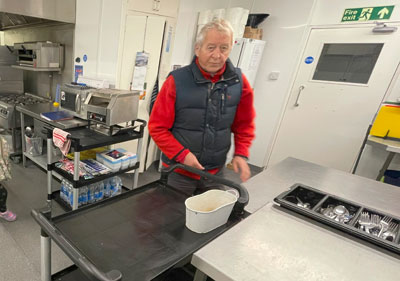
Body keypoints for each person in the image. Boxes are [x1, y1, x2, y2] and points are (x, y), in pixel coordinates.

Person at [149, 19, 255, 194]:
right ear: (197, 48)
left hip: (215, 171)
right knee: (171, 217)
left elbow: (244, 123)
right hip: (179, 170)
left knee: (212, 217)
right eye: (211, 47)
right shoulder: (176, 81)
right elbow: (157, 128)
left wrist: (241, 153)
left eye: (224, 48)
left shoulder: (238, 81)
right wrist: (183, 155)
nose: (217, 55)